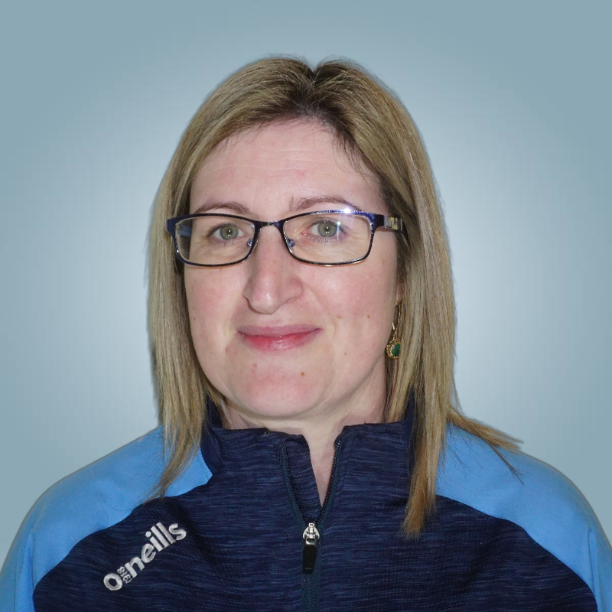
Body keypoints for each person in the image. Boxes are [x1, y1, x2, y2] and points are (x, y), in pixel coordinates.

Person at [1, 57, 610, 611]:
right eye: (225, 231)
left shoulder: (548, 540)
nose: (266, 289)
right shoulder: (67, 550)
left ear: (405, 274)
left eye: (325, 227)